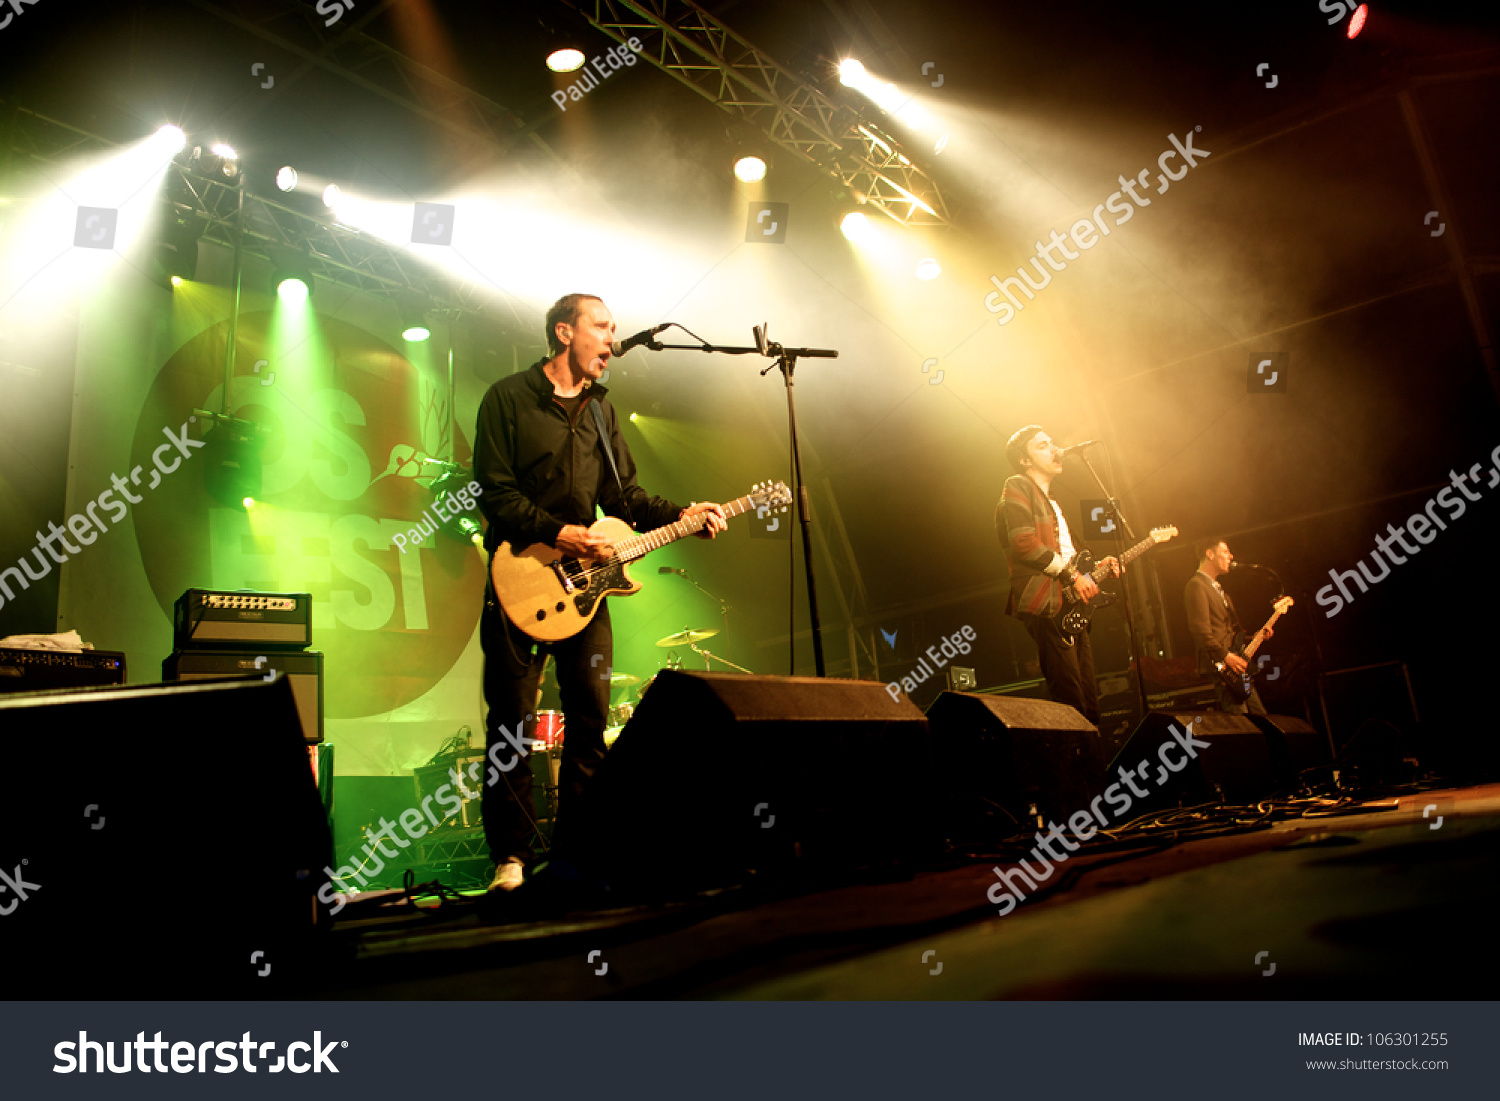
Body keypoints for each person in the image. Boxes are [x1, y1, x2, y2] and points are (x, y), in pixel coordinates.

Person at [473, 293, 726, 891]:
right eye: (603, 327)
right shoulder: (507, 397)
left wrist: (685, 512)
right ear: (565, 332)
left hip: (588, 593)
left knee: (589, 721)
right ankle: (510, 858)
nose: (613, 339)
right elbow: (493, 491)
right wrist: (559, 532)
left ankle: (577, 857)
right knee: (513, 723)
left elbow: (627, 501)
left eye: (614, 330)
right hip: (522, 577)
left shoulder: (601, 412)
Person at [997, 425, 1118, 724]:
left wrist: (1097, 566)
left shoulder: (1053, 503)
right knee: (1071, 699)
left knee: (1089, 700)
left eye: (1052, 442)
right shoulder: (1017, 485)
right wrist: (1073, 576)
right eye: (1042, 446)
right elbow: (1024, 542)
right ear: (1025, 460)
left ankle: (1093, 763)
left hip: (1068, 603)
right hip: (1046, 602)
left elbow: (1067, 557)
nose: (1054, 449)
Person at [1184, 538, 1270, 714]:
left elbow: (1228, 633)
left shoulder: (1219, 589)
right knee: (1242, 722)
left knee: (1260, 717)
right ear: (1210, 554)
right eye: (1225, 551)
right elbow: (1200, 631)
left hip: (1234, 662)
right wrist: (1226, 656)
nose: (1230, 556)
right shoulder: (1196, 585)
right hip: (1222, 665)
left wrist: (1254, 638)